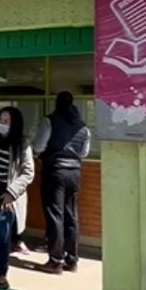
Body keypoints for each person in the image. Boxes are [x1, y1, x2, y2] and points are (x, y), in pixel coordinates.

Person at [31, 91, 91, 275]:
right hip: (75, 173)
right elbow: (84, 153)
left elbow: (39, 146)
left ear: (57, 103)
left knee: (55, 215)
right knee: (71, 215)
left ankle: (55, 261)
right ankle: (71, 260)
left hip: (55, 171)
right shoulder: (83, 127)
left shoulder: (49, 121)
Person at [0, 106, 35, 290]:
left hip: (8, 195)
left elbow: (28, 172)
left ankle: (2, 273)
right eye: (0, 120)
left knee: (2, 235)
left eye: (6, 121)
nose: (2, 125)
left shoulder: (22, 144)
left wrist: (11, 193)